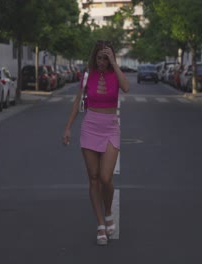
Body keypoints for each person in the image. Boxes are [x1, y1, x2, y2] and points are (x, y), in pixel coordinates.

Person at [62, 40, 129, 245]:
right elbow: (77, 101)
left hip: (110, 128)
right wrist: (68, 127)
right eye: (99, 57)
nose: (102, 62)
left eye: (106, 58)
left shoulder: (114, 74)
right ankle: (101, 224)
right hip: (90, 127)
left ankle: (108, 211)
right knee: (93, 178)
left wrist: (114, 64)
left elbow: (126, 88)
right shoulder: (87, 75)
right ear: (94, 57)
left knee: (105, 177)